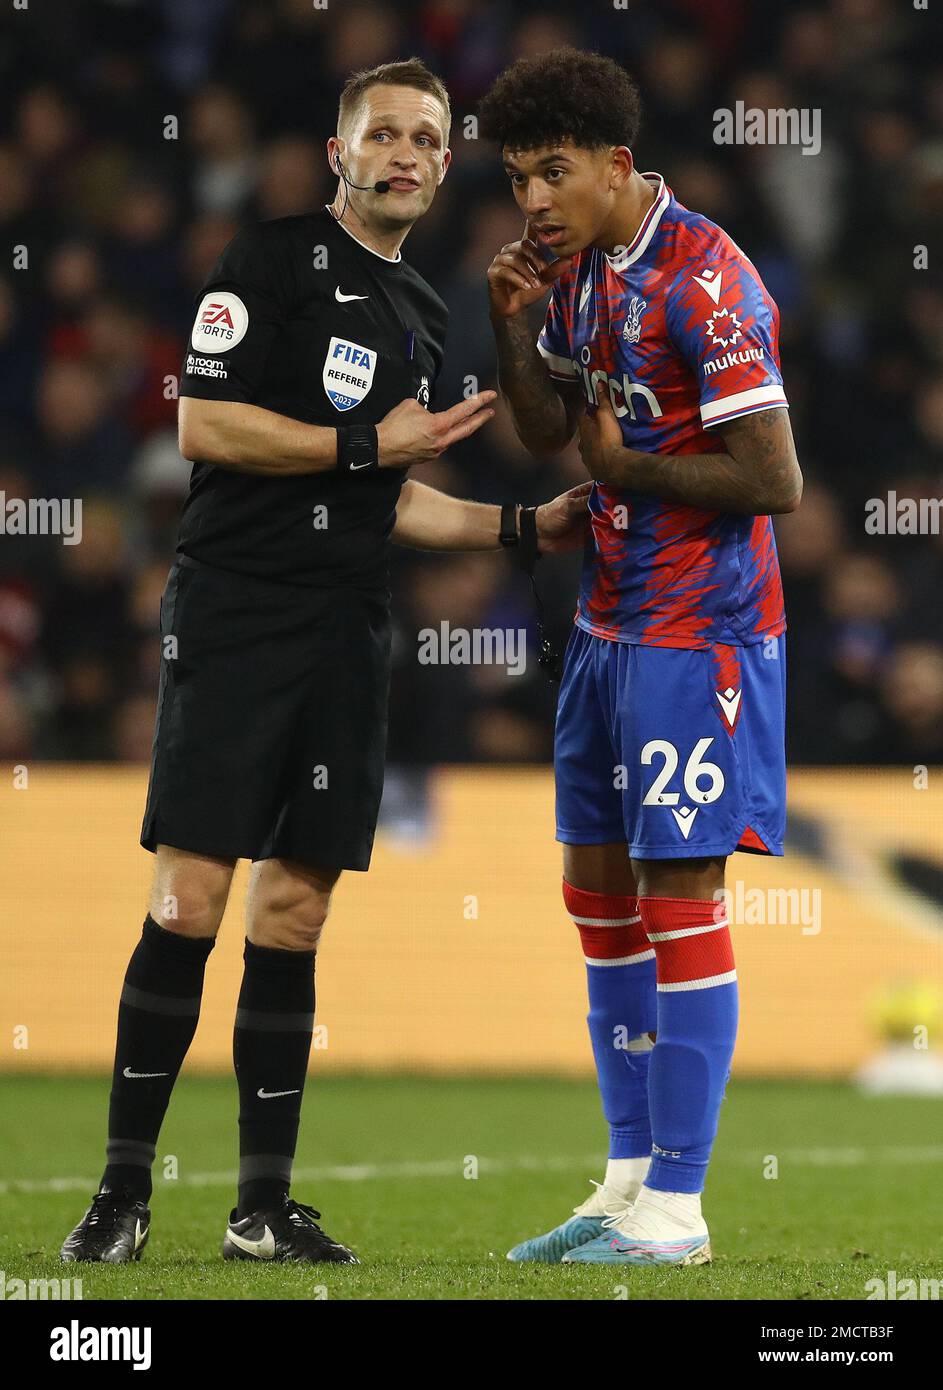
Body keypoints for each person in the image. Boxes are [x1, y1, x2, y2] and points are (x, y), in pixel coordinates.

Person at [60, 57, 590, 1267]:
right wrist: (365, 441)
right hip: (238, 610)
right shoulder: (268, 260)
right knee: (189, 895)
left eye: (425, 138)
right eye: (382, 134)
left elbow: (386, 497)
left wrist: (521, 527)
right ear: (342, 152)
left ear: (445, 167)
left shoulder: (422, 312)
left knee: (293, 911)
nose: (404, 153)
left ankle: (261, 1206)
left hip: (347, 630)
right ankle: (121, 1193)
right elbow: (205, 422)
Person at [481, 47, 802, 1266]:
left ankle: (679, 1205)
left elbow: (774, 480)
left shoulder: (706, 279)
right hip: (609, 625)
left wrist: (625, 474)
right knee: (595, 893)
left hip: (699, 636)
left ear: (618, 165)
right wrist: (511, 324)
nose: (533, 200)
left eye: (552, 172)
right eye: (517, 177)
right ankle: (620, 1183)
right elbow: (543, 426)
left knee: (678, 898)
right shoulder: (574, 273)